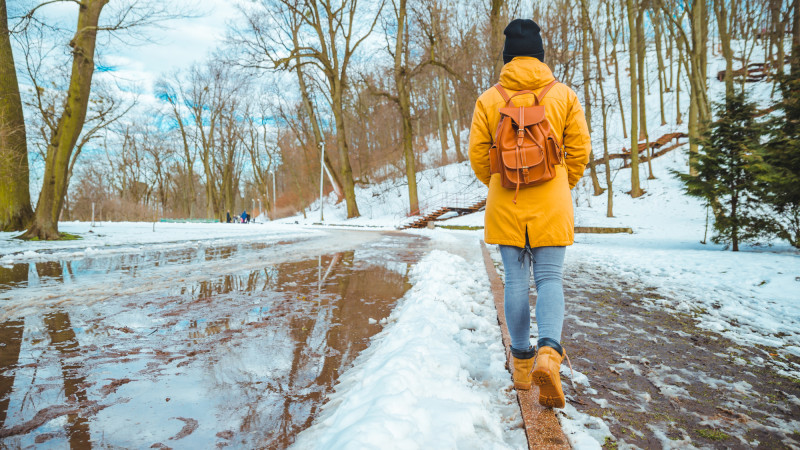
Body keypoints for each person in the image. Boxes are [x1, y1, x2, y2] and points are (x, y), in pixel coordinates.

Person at [468, 18, 590, 408]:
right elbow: (580, 151)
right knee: (550, 278)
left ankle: (522, 370)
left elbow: (478, 157)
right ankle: (550, 356)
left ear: (507, 58)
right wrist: (559, 185)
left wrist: (500, 182)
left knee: (516, 283)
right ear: (540, 55)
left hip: (507, 203)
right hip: (552, 201)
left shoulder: (490, 99)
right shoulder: (564, 95)